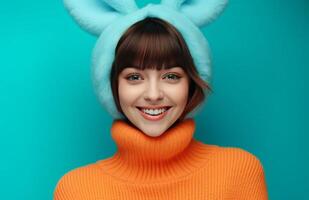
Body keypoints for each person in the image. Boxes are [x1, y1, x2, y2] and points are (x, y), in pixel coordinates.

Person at [54, 1, 268, 199]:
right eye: (134, 77)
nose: (154, 94)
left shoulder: (239, 173)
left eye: (171, 76)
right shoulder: (76, 190)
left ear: (192, 83)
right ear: (112, 87)